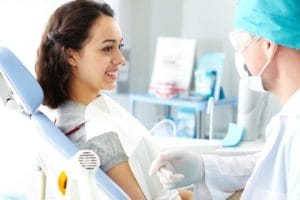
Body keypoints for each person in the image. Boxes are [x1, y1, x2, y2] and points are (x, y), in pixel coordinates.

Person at [35, 0, 192, 199]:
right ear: (71, 56)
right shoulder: (95, 134)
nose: (121, 59)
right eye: (108, 49)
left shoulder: (84, 108)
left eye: (120, 46)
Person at [149, 0, 300, 199]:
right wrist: (203, 167)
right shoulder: (290, 121)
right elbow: (270, 167)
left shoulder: (294, 125)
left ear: (268, 45)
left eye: (241, 43)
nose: (241, 55)